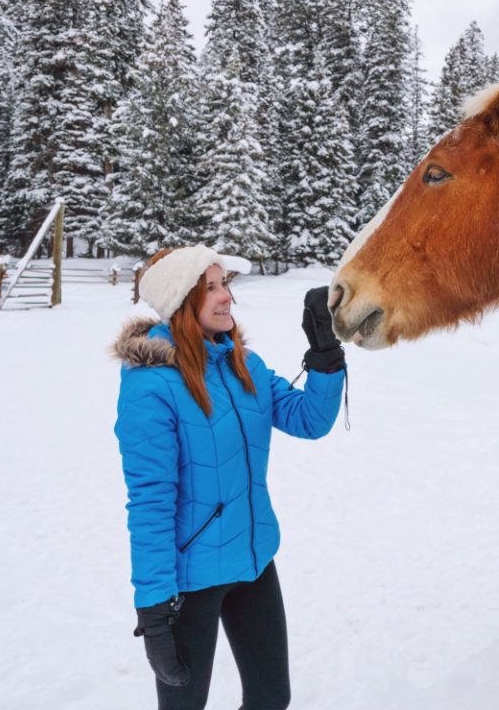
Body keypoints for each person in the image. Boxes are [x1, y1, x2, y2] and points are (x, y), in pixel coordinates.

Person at [113, 244, 345, 710]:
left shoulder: (243, 364)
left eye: (226, 286)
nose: (226, 298)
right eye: (211, 288)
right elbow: (151, 503)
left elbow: (309, 421)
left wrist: (324, 352)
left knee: (270, 699)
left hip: (253, 562)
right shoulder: (151, 385)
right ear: (182, 303)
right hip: (189, 583)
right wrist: (155, 609)